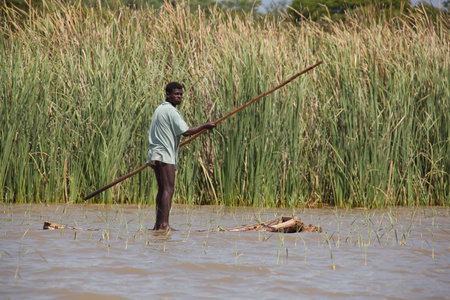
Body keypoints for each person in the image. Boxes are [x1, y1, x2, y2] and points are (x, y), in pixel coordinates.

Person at [147, 82, 216, 231]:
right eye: (176, 94)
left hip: (156, 153)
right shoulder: (170, 111)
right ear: (167, 94)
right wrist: (205, 126)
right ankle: (164, 225)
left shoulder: (160, 109)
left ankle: (158, 225)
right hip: (164, 154)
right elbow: (185, 132)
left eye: (181, 95)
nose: (179, 97)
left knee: (162, 189)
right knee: (168, 190)